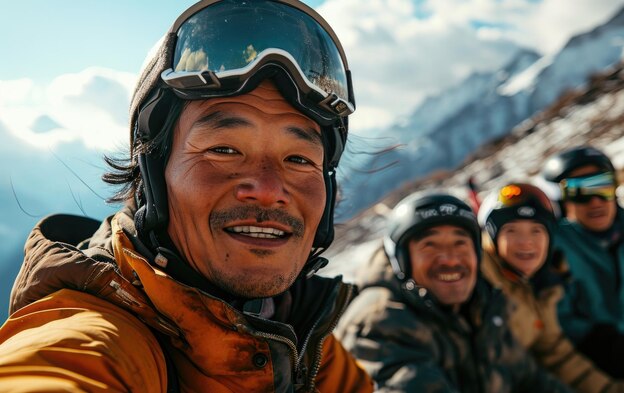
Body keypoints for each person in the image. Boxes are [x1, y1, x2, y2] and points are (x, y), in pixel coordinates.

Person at [0, 1, 374, 392]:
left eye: (298, 159)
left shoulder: (306, 343)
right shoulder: (90, 344)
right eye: (224, 150)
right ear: (153, 175)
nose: (268, 190)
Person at [335, 192, 571, 392]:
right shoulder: (379, 322)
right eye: (430, 245)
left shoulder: (484, 306)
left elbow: (530, 378)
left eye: (460, 243)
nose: (449, 259)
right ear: (402, 262)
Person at [478, 182, 624, 392]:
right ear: (492, 238)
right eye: (511, 231)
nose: (526, 242)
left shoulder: (542, 288)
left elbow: (557, 355)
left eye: (536, 230)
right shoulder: (480, 282)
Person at [543, 145, 624, 378]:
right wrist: (600, 342)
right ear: (561, 201)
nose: (595, 201)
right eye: (580, 191)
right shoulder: (551, 251)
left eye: (602, 186)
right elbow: (556, 317)